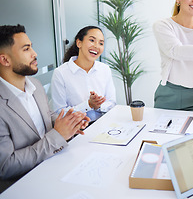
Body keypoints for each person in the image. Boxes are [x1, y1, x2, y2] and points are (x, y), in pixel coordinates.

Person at [0, 24, 89, 192]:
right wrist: (58, 135)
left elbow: (46, 117)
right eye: (26, 49)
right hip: (25, 185)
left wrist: (71, 123)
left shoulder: (35, 84)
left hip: (54, 164)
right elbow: (5, 167)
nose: (35, 54)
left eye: (31, 47)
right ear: (5, 60)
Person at [51, 26, 116, 121]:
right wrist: (88, 105)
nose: (96, 46)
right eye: (92, 40)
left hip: (103, 124)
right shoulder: (61, 73)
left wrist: (98, 106)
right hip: (76, 130)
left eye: (101, 43)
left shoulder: (104, 69)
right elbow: (59, 112)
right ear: (79, 43)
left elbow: (112, 103)